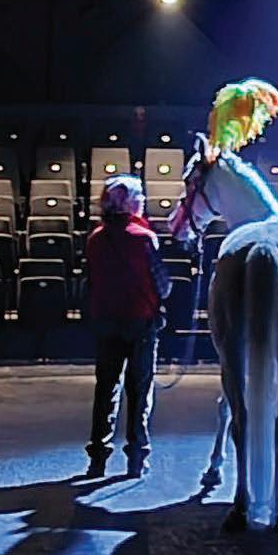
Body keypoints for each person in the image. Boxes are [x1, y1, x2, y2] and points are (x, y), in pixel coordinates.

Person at [83, 175, 172, 478]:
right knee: (139, 390)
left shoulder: (95, 239)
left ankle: (98, 457)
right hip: (140, 322)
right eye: (140, 197)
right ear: (130, 203)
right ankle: (136, 457)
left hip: (106, 322)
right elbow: (162, 285)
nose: (144, 201)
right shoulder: (144, 238)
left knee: (106, 389)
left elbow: (91, 282)